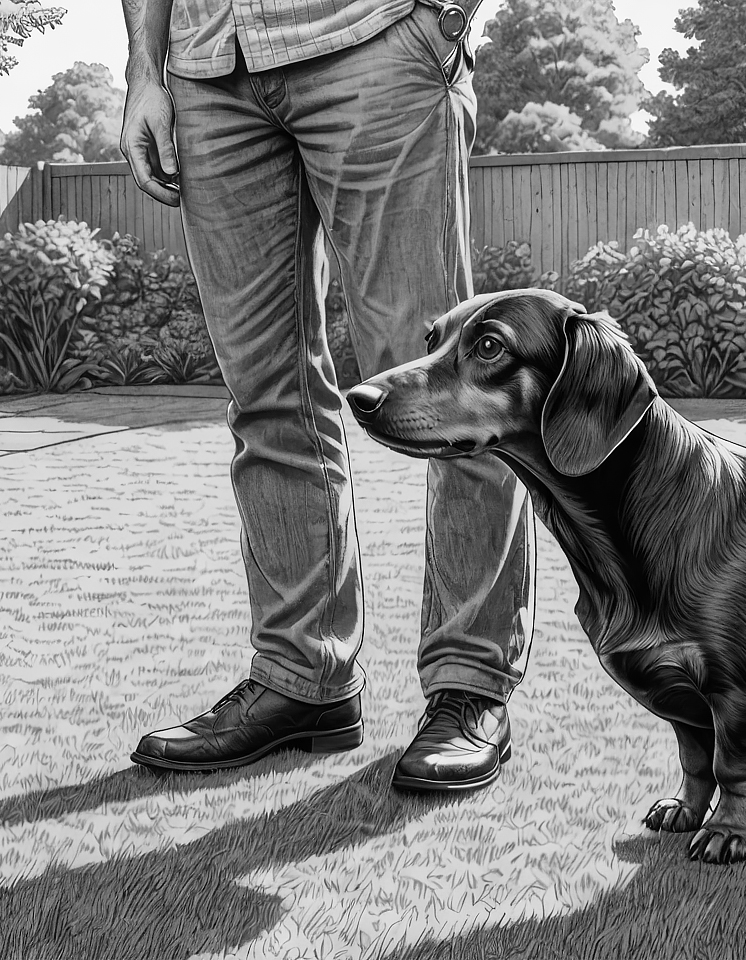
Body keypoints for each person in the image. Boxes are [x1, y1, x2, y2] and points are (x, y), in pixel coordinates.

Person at [119, 0, 536, 792]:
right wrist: (146, 69)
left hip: (370, 38)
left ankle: (471, 687)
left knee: (453, 395)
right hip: (208, 71)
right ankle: (302, 679)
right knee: (265, 397)